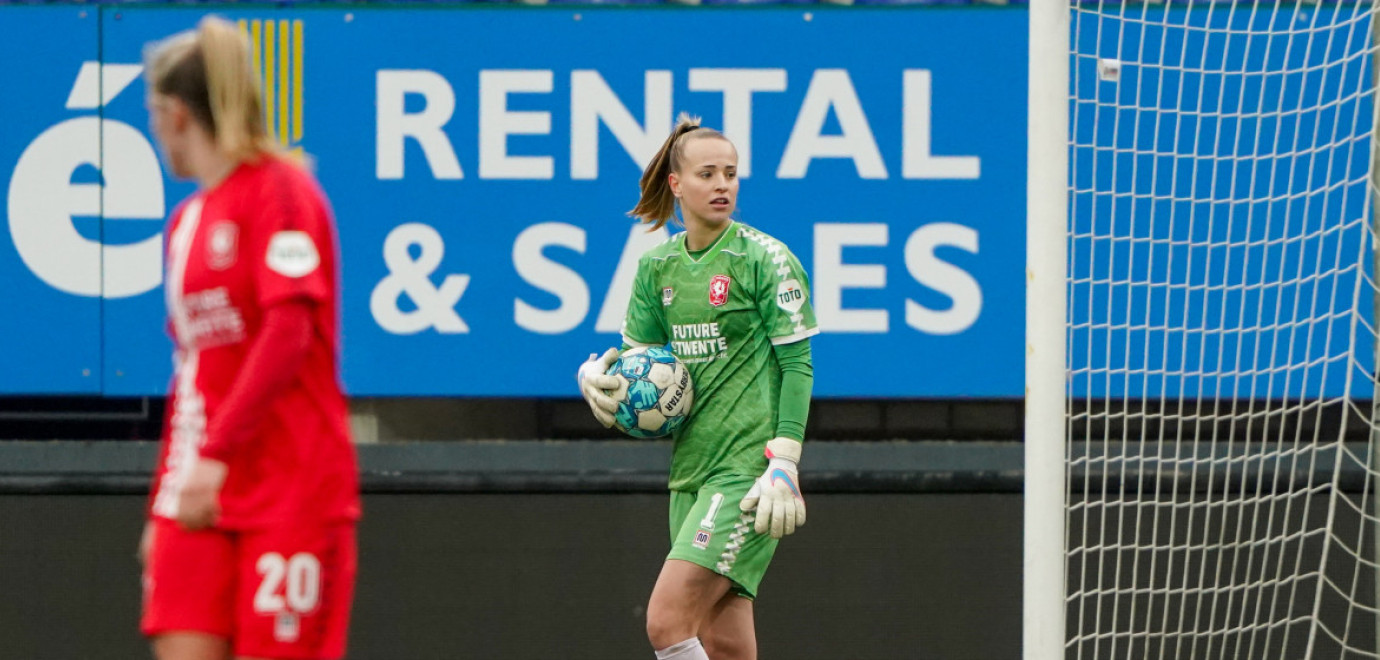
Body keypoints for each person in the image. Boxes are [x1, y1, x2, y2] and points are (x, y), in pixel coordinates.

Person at [137, 16, 360, 660]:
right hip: (199, 492)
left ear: (176, 114)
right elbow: (192, 374)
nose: (154, 132)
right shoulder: (186, 221)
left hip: (289, 488)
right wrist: (165, 500)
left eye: (153, 115)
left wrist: (217, 456)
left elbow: (288, 333)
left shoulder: (283, 191)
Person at [578, 114, 817, 660]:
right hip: (689, 473)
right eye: (707, 174)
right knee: (724, 643)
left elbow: (798, 365)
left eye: (731, 174)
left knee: (666, 622)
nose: (723, 185)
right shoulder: (656, 266)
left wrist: (784, 459)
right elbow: (637, 366)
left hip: (747, 473)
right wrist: (596, 381)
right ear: (676, 184)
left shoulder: (764, 258)